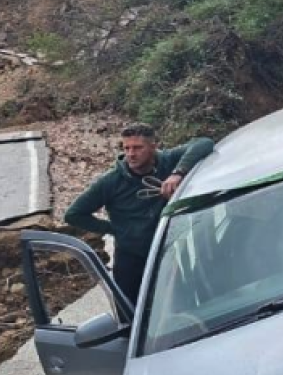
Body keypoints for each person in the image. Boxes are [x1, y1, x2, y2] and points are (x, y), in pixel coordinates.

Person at [65, 124, 215, 303]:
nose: (131, 154)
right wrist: (117, 229)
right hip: (131, 258)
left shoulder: (168, 161)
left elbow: (204, 143)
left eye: (137, 148)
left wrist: (178, 173)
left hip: (166, 253)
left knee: (176, 305)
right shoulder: (110, 182)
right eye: (126, 148)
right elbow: (74, 214)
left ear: (153, 147)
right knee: (130, 312)